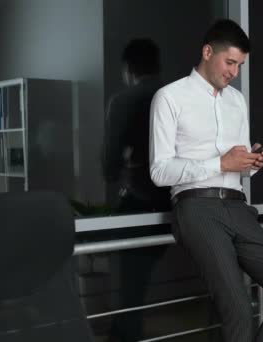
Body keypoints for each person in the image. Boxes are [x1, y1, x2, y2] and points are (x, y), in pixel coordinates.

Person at [149, 19, 263, 342]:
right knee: (237, 309)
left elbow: (239, 167)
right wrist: (219, 163)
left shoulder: (236, 100)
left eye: (240, 65)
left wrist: (252, 163)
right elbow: (159, 171)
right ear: (208, 52)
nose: (234, 72)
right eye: (230, 62)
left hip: (238, 207)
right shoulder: (169, 97)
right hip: (196, 208)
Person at [102, 38, 169, 342]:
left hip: (140, 207)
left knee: (129, 291)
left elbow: (108, 167)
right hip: (179, 206)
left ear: (128, 69)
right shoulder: (181, 98)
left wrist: (128, 162)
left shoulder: (125, 101)